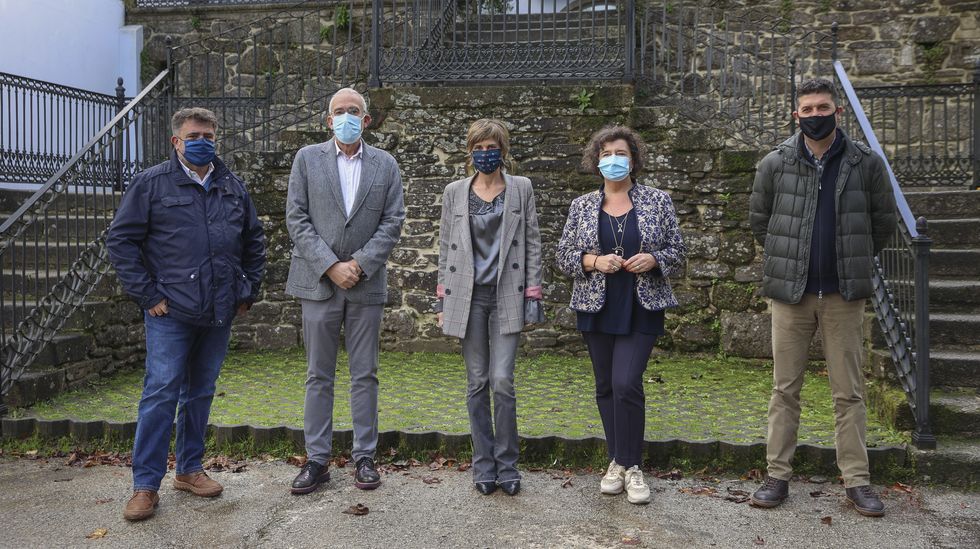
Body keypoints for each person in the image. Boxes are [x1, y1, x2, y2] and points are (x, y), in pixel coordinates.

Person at [107, 107, 266, 521]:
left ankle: (190, 469)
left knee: (199, 393)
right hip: (170, 312)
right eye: (196, 135)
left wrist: (246, 290)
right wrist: (147, 295)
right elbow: (121, 242)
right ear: (176, 141)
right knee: (160, 394)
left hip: (218, 311)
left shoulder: (231, 185)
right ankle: (145, 485)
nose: (204, 142)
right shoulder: (152, 184)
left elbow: (254, 241)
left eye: (211, 136)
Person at [748, 78, 896, 517]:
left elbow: (882, 222)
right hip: (790, 296)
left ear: (838, 111)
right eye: (807, 109)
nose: (815, 115)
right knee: (784, 388)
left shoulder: (865, 162)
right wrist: (790, 260)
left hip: (843, 294)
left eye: (823, 107)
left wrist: (850, 260)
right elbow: (761, 222)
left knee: (848, 392)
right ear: (796, 115)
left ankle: (857, 481)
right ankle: (777, 475)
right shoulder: (774, 163)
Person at [556, 126, 686, 505]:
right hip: (596, 306)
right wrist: (594, 261)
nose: (613, 159)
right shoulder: (581, 205)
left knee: (627, 382)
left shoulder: (658, 201)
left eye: (621, 153)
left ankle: (632, 466)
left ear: (634, 159)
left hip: (642, 305)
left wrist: (656, 258)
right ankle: (617, 461)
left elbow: (678, 252)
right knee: (606, 386)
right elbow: (564, 256)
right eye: (607, 153)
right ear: (596, 160)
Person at [285, 87, 405, 495]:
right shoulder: (306, 159)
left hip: (365, 283)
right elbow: (296, 218)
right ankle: (316, 460)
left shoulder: (386, 165)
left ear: (366, 119)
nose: (347, 117)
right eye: (339, 111)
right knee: (318, 374)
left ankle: (365, 457)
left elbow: (393, 221)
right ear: (328, 119)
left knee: (365, 374)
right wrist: (331, 266)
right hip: (318, 283)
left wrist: (360, 264)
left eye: (354, 111)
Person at [435, 119, 543, 496]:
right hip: (468, 296)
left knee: (502, 381)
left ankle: (508, 465)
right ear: (470, 151)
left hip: (507, 294)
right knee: (477, 382)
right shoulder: (454, 192)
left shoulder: (521, 189)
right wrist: (441, 300)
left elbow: (531, 242)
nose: (485, 153)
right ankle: (484, 465)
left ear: (503, 149)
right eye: (478, 147)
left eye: (491, 146)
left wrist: (533, 295)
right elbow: (446, 246)